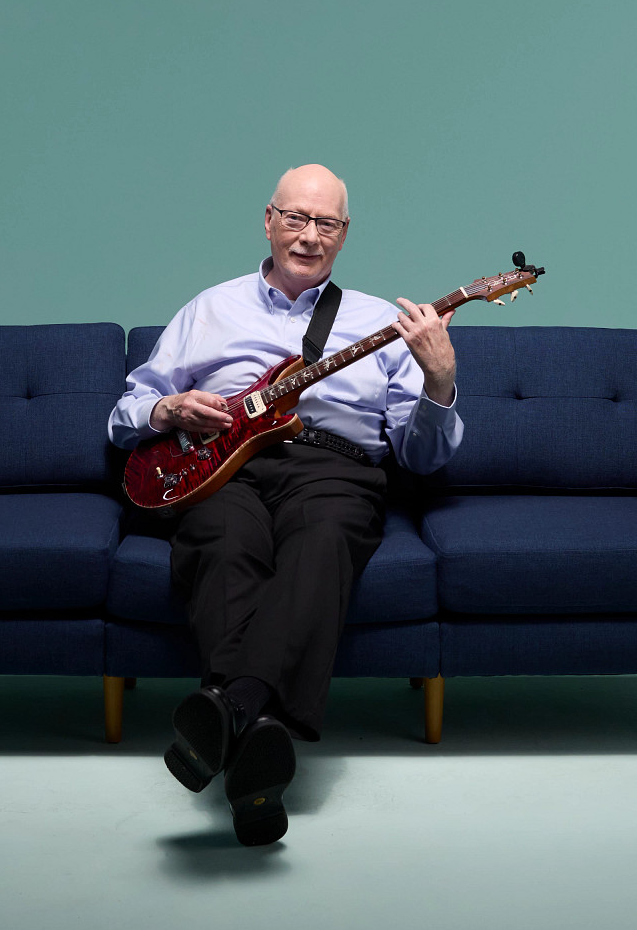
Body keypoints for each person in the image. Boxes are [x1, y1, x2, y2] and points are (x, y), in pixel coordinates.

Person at [107, 164, 465, 845]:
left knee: (323, 538)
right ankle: (258, 746)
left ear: (345, 233)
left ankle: (229, 709)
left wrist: (440, 382)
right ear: (267, 221)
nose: (308, 236)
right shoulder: (207, 309)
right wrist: (167, 406)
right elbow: (122, 414)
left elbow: (421, 459)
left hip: (335, 468)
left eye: (325, 223)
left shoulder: (381, 326)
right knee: (222, 541)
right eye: (295, 219)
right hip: (222, 469)